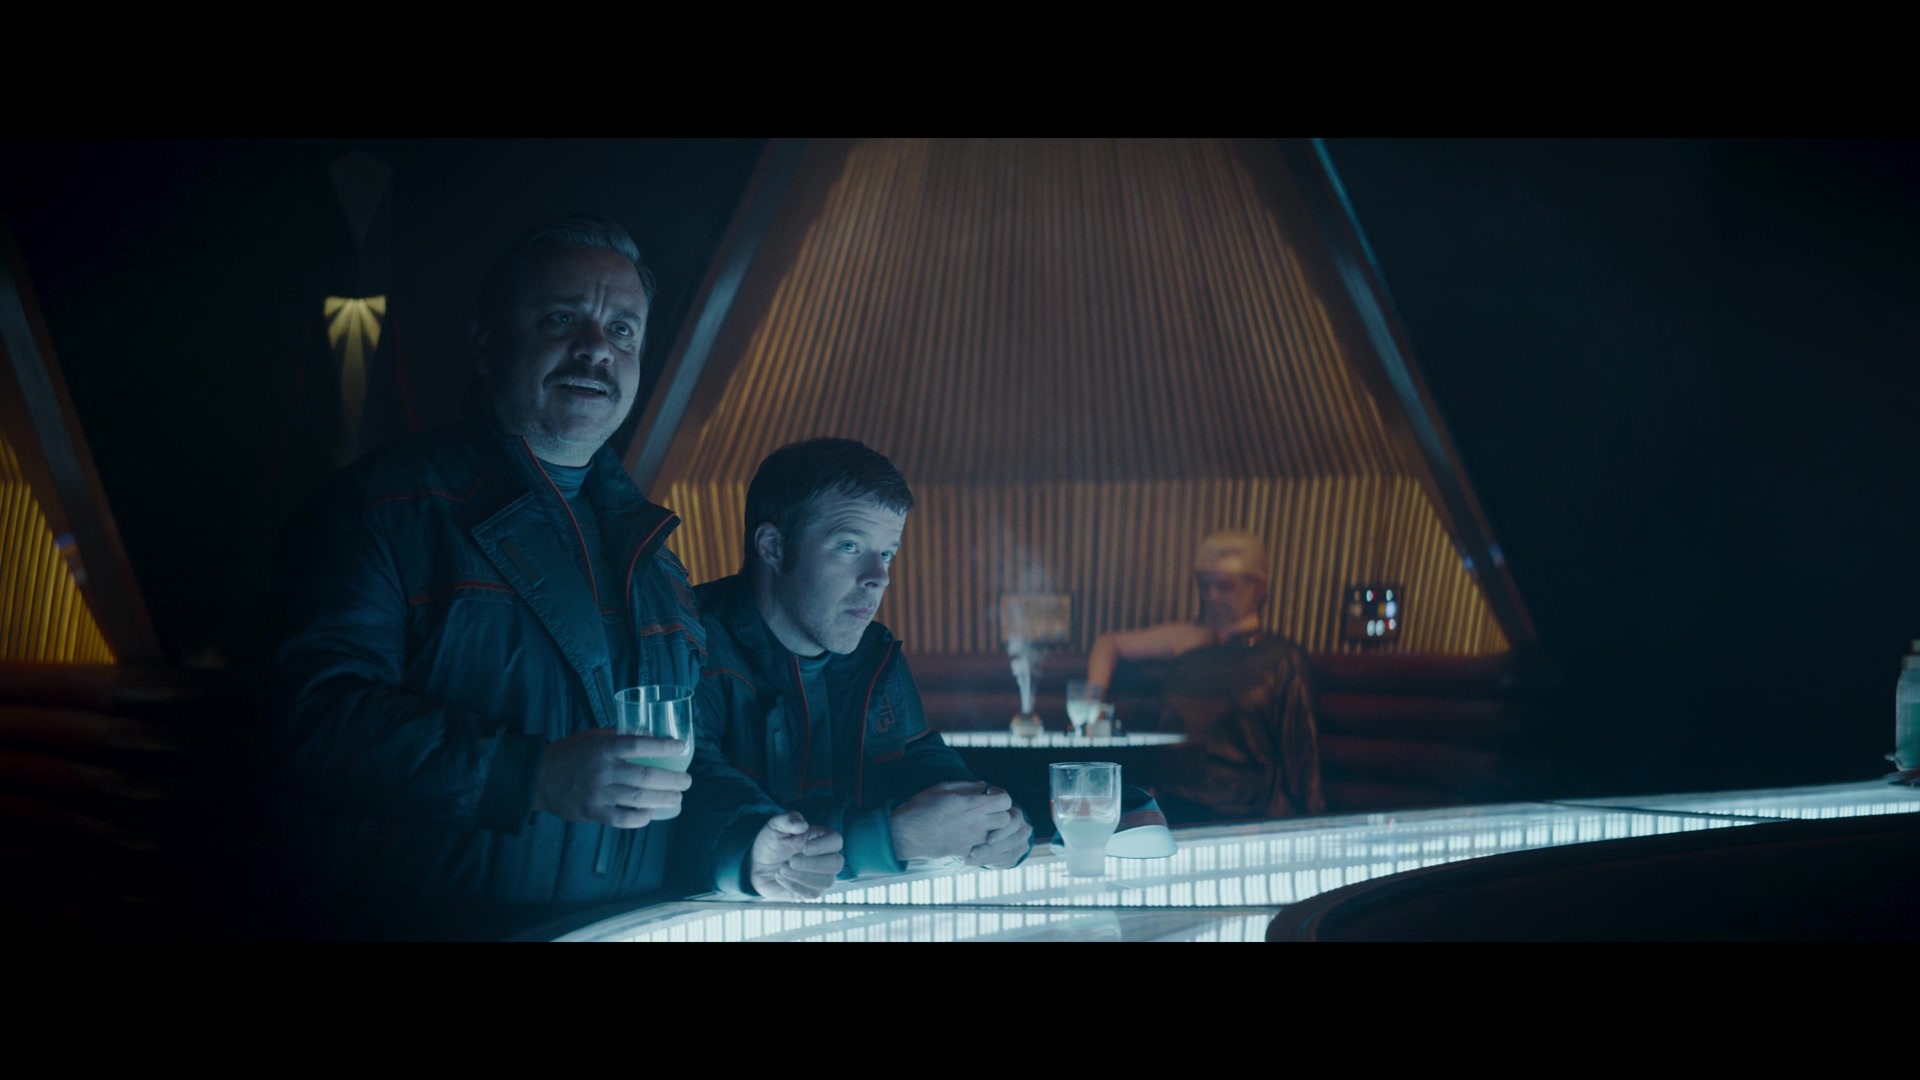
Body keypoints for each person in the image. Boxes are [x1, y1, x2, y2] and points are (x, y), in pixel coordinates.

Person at [261, 216, 840, 940]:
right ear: (486, 344)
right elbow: (314, 723)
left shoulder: (655, 559)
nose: (597, 347)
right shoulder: (380, 510)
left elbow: (674, 766)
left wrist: (746, 845)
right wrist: (528, 774)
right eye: (563, 318)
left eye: (622, 330)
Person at [678, 438, 1033, 896]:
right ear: (773, 546)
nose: (879, 577)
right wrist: (893, 838)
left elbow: (921, 760)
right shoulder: (686, 647)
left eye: (887, 553)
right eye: (849, 546)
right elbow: (700, 811)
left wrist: (987, 824)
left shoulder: (874, 653)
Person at [1084, 529, 1326, 823]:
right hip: (1168, 805)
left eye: (1224, 586)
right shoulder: (1187, 640)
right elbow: (1107, 644)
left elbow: (1303, 768)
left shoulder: (1283, 659)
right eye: (1205, 584)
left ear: (1258, 587)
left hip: (1241, 815)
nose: (1212, 595)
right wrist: (1093, 709)